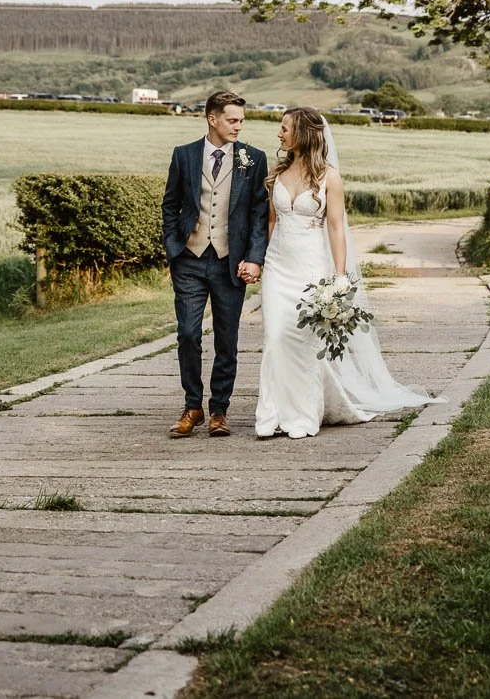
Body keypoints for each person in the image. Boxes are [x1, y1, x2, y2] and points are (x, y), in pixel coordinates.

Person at [253, 106, 437, 439]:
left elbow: (336, 229)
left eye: (285, 128)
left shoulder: (330, 177)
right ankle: (272, 414)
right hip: (278, 266)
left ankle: (303, 415)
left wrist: (338, 278)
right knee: (275, 338)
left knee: (303, 342)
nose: (279, 134)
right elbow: (271, 221)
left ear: (304, 133)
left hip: (312, 268)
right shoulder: (277, 172)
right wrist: (263, 261)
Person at [160, 90, 269, 438]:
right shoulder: (184, 155)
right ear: (212, 118)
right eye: (232, 120)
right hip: (189, 259)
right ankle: (192, 405)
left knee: (227, 339)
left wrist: (254, 257)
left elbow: (258, 213)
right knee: (188, 334)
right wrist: (172, 247)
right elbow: (170, 204)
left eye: (241, 121)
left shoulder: (254, 159)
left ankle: (219, 410)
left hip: (229, 262)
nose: (238, 126)